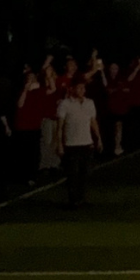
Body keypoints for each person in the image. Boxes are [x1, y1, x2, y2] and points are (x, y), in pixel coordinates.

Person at [54, 79, 103, 209]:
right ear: (72, 89)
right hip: (71, 144)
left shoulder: (89, 103)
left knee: (85, 173)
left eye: (83, 88)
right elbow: (60, 126)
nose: (82, 91)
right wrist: (59, 144)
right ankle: (73, 199)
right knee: (72, 173)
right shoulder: (65, 104)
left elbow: (93, 121)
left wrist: (98, 138)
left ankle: (81, 198)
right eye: (79, 88)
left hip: (86, 142)